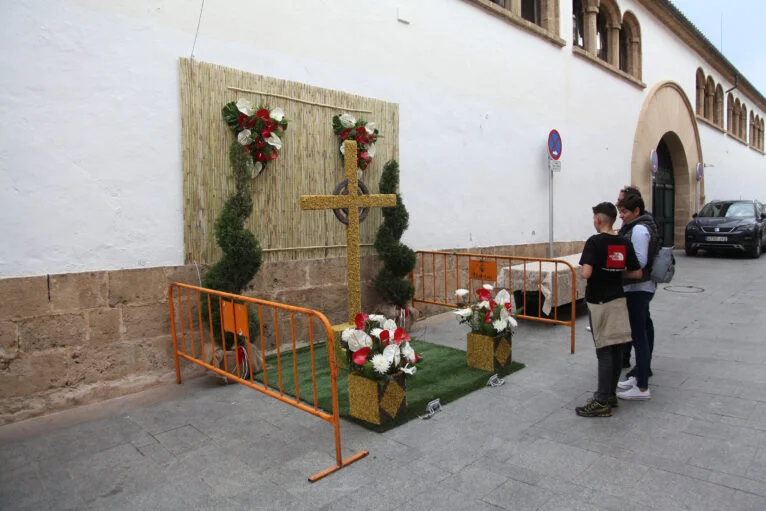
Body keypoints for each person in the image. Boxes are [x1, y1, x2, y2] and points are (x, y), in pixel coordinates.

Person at [576, 202, 642, 417]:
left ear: (598, 220)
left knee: (603, 350)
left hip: (599, 301)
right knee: (615, 349)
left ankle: (601, 400)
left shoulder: (594, 242)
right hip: (618, 299)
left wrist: (599, 272)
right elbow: (637, 273)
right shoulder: (623, 242)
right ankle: (611, 394)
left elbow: (586, 273)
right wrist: (615, 273)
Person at [616, 192, 659, 400]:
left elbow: (639, 262)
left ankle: (642, 387)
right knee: (644, 329)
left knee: (638, 335)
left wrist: (615, 267)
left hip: (638, 287)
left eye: (624, 212)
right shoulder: (638, 226)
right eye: (620, 211)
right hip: (641, 287)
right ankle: (641, 372)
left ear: (636, 211)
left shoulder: (639, 229)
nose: (621, 216)